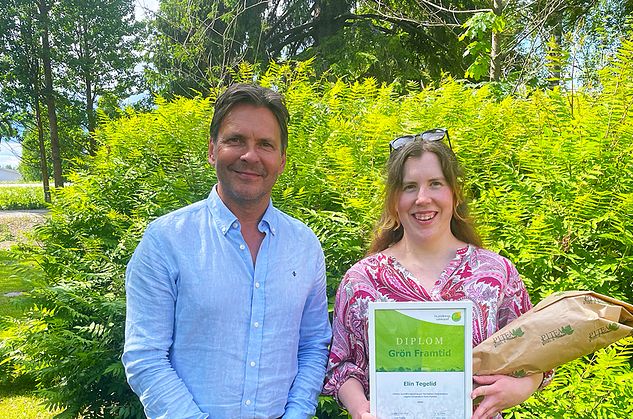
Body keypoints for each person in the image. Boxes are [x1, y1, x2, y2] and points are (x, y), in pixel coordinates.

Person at [122, 84, 332, 419]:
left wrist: (296, 414)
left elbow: (312, 346)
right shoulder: (166, 240)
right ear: (212, 149)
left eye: (265, 144)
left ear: (281, 160)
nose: (251, 156)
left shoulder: (305, 246)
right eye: (236, 140)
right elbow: (145, 356)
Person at [322, 129, 552, 419]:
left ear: (454, 194)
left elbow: (535, 355)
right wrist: (358, 407)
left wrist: (521, 388)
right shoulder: (362, 280)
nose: (422, 198)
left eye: (435, 184)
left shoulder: (496, 273)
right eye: (409, 187)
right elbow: (342, 366)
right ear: (394, 200)